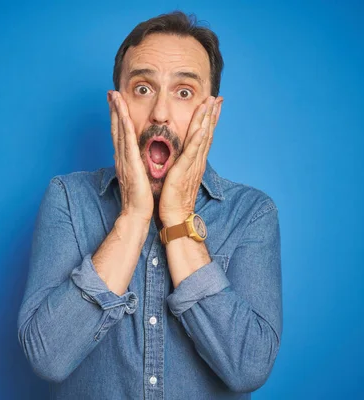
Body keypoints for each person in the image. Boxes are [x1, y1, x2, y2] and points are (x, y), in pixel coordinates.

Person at [17, 11, 282, 399]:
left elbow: (248, 368)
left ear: (212, 113)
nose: (160, 112)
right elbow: (48, 356)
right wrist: (134, 217)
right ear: (117, 104)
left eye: (184, 92)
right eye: (142, 89)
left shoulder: (252, 213)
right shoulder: (68, 199)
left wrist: (175, 218)